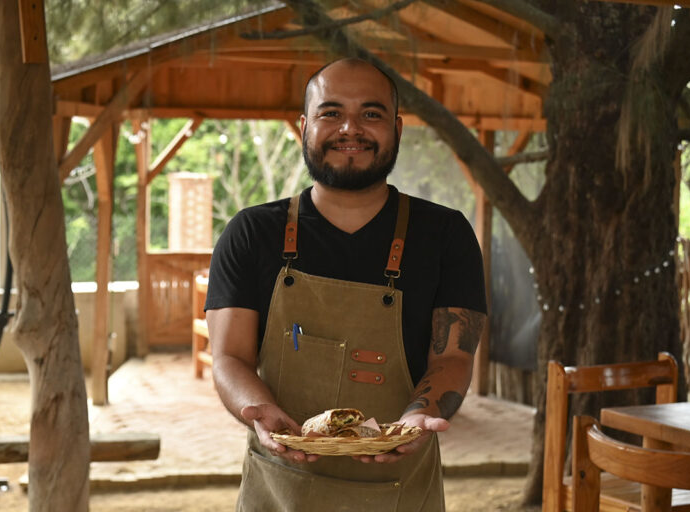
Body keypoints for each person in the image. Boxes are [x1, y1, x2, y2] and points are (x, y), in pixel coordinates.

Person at [205, 58, 487, 511]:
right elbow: (230, 358)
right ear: (304, 126)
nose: (350, 129)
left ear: (397, 128)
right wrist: (258, 410)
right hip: (281, 485)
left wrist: (420, 416)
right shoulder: (251, 233)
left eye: (370, 114)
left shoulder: (446, 235)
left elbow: (453, 356)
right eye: (330, 112)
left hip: (398, 489)